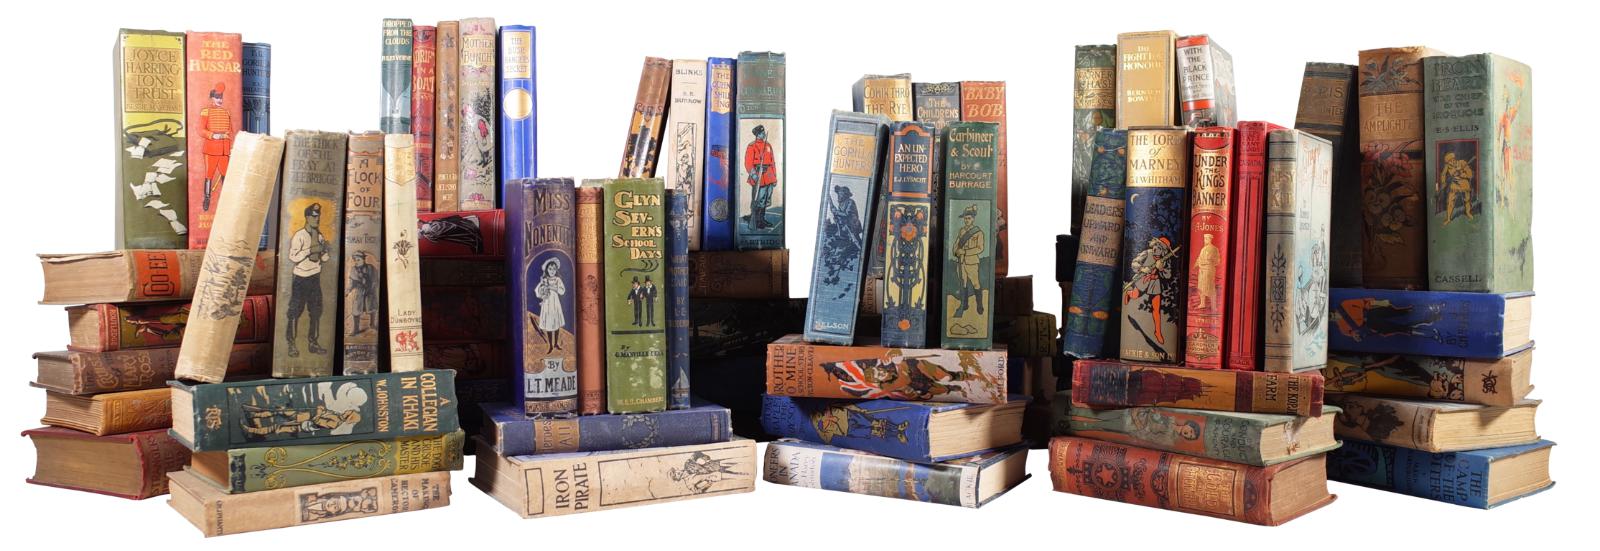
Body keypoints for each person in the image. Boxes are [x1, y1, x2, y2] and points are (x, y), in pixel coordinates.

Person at [286, 203, 331, 357]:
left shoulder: (319, 236)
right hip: (300, 278)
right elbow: (293, 257)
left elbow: (324, 258)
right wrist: (310, 250)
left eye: (318, 216)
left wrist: (324, 251)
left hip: (314, 277)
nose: (317, 219)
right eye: (314, 216)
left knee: (316, 310)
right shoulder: (299, 235)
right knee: (295, 311)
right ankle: (291, 344)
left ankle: (313, 343)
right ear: (307, 217)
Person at [199, 83, 234, 211]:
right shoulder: (206, 112)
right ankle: (207, 198)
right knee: (209, 174)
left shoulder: (226, 112)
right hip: (211, 150)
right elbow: (201, 130)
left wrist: (231, 147)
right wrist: (214, 135)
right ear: (212, 98)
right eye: (217, 97)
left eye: (221, 97)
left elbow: (230, 131)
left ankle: (226, 201)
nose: (220, 100)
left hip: (224, 150)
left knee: (226, 175)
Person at [951, 205, 987, 317]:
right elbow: (956, 244)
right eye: (965, 218)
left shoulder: (978, 232)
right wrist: (956, 252)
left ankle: (979, 306)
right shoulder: (961, 231)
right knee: (963, 283)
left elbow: (980, 248)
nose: (967, 220)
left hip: (972, 262)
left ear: (973, 219)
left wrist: (965, 252)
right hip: (961, 262)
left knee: (976, 283)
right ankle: (965, 304)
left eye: (969, 218)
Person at [742, 125, 778, 229]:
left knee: (766, 199)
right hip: (759, 175)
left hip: (769, 175)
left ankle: (761, 219)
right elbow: (748, 163)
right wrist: (754, 175)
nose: (763, 134)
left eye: (763, 132)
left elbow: (772, 162)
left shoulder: (768, 145)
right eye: (761, 133)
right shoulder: (752, 146)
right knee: (758, 199)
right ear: (757, 134)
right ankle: (756, 220)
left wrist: (774, 177)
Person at [534, 258, 567, 352]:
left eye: (554, 269)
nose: (552, 271)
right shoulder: (544, 280)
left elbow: (562, 291)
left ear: (556, 270)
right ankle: (550, 345)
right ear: (547, 270)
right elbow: (537, 292)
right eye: (550, 269)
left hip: (555, 303)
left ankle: (556, 343)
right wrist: (542, 288)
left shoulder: (557, 279)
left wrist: (551, 287)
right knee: (549, 323)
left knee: (556, 323)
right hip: (547, 303)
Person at [1194, 233, 1221, 310]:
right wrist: (1195, 265)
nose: (1205, 240)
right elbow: (1199, 258)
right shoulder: (1203, 249)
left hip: (1209, 270)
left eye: (1206, 239)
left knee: (1210, 286)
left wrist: (1210, 261)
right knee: (1201, 287)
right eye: (1204, 239)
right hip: (1202, 270)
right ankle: (1202, 303)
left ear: (1210, 239)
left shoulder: (1214, 249)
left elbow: (1218, 260)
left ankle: (1214, 306)